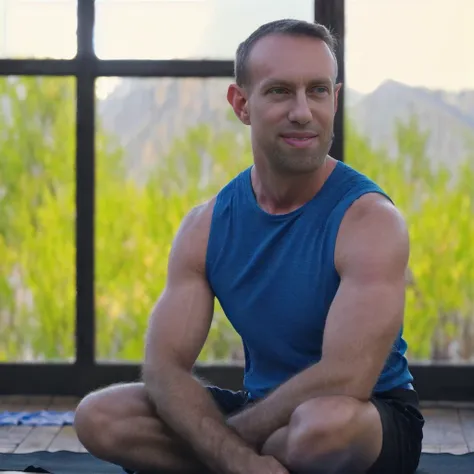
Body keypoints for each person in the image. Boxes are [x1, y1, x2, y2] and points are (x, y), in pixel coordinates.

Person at [74, 19, 425, 474]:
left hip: (365, 418)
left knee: (321, 427)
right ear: (241, 103)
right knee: (101, 415)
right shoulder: (206, 225)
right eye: (280, 91)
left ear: (335, 99)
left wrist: (225, 448)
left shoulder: (370, 219)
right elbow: (164, 368)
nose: (303, 111)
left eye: (318, 91)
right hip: (263, 409)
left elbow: (347, 377)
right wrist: (232, 454)